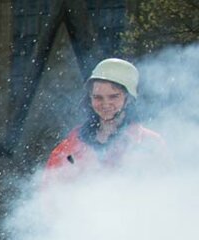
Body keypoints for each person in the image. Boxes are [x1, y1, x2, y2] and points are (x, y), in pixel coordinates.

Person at [43, 58, 163, 187]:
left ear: (128, 98)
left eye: (113, 96)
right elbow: (49, 196)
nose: (105, 104)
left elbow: (166, 193)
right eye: (98, 97)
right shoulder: (69, 148)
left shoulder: (150, 145)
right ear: (90, 98)